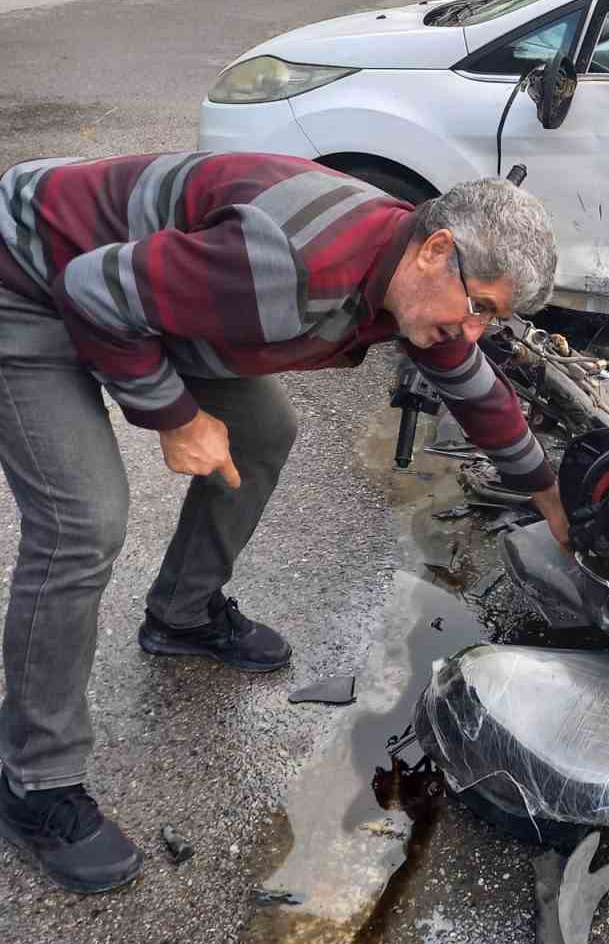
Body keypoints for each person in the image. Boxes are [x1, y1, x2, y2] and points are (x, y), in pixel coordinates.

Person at [0, 153, 567, 895]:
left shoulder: (408, 273)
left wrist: (550, 495)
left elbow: (476, 388)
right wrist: (173, 416)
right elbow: (92, 290)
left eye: (494, 317)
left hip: (135, 287)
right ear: (437, 250)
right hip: (30, 278)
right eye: (482, 306)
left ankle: (181, 614)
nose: (478, 329)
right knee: (84, 522)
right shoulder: (292, 267)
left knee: (263, 430)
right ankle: (33, 784)